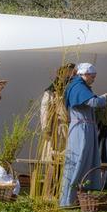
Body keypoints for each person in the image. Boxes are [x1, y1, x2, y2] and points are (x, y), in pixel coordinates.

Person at [59, 63, 107, 207]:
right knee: (78, 160)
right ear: (84, 75)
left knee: (85, 160)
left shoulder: (79, 86)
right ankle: (69, 199)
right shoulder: (78, 87)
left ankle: (80, 196)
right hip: (81, 128)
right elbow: (93, 102)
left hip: (85, 126)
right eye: (92, 77)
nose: (93, 79)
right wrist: (104, 98)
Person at [40, 63, 76, 196]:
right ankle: (50, 191)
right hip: (56, 130)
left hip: (69, 129)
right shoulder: (51, 92)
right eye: (68, 73)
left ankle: (63, 190)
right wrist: (46, 129)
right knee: (53, 160)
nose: (70, 76)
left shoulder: (72, 89)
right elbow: (44, 110)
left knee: (68, 161)